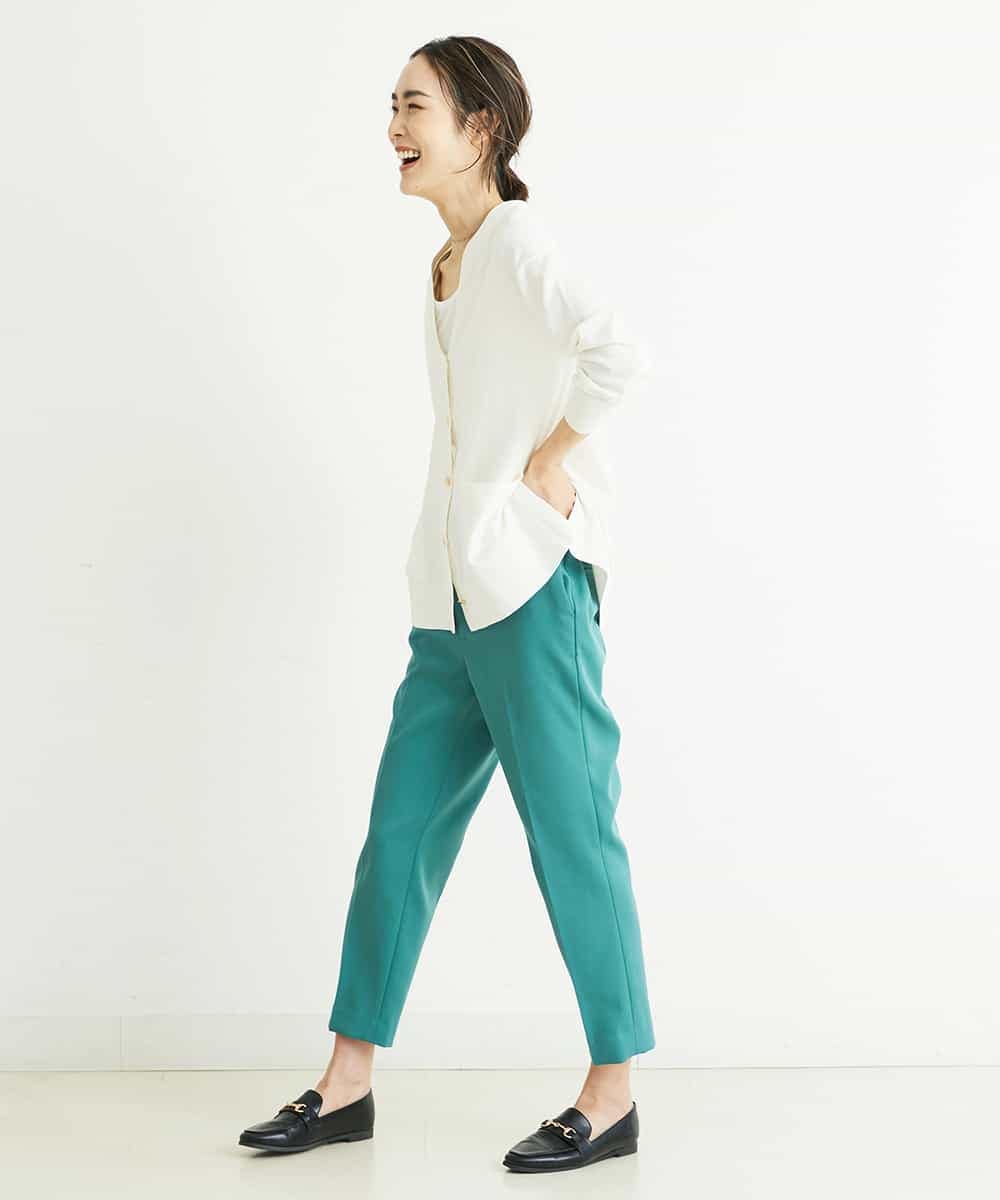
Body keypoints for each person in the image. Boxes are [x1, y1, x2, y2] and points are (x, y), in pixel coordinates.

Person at [239, 35, 654, 1173]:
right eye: (392, 106)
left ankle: (613, 1093)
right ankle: (345, 1086)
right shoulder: (449, 261)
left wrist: (552, 461)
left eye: (414, 107)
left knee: (572, 837)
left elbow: (617, 353)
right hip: (453, 600)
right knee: (400, 835)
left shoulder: (518, 243)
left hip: (530, 589)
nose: (394, 128)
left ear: (481, 128)